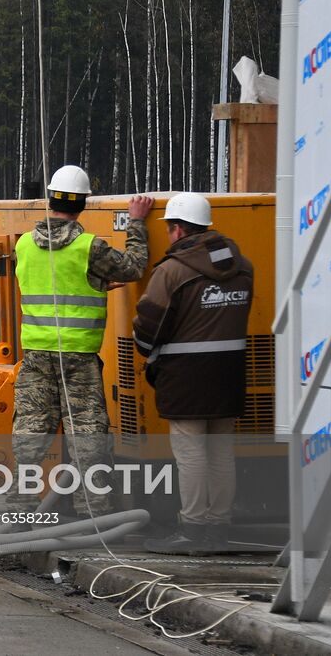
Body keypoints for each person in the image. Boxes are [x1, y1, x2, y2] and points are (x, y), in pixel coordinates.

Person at [11, 165, 153, 517]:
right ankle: (93, 516)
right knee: (87, 442)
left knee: (28, 440)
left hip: (36, 354)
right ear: (82, 205)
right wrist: (136, 222)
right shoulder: (90, 247)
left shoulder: (24, 245)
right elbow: (135, 267)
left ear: (50, 198)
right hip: (79, 358)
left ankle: (18, 515)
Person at [134, 192, 254, 556]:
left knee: (191, 454)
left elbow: (147, 327)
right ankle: (218, 527)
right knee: (221, 453)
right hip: (229, 371)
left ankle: (193, 528)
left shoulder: (172, 271)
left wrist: (148, 354)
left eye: (169, 229)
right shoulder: (243, 266)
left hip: (186, 376)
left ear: (177, 229)